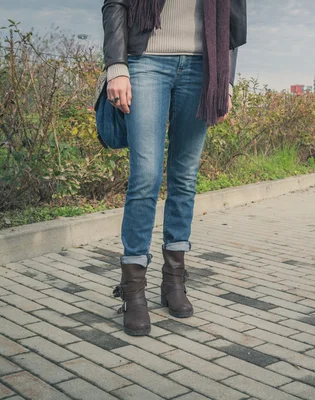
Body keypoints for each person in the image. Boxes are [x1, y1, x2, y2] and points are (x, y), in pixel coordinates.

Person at [101, 0, 247, 336]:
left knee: (184, 178)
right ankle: (134, 290)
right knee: (145, 177)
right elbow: (115, 4)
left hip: (203, 68)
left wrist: (226, 81)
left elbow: (231, 24)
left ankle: (173, 282)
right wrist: (116, 66)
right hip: (145, 60)